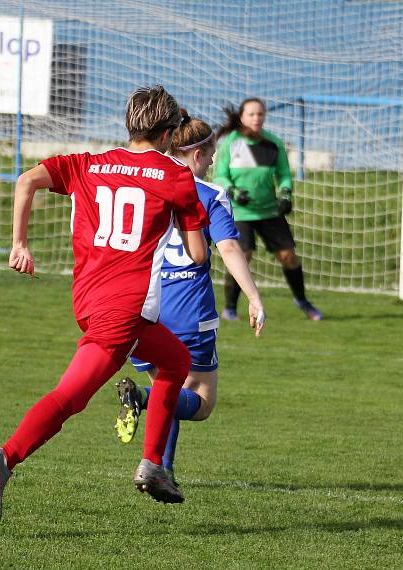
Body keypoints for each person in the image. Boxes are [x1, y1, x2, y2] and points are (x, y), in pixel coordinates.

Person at [0, 85, 211, 524]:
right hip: (122, 309)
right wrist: (190, 222)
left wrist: (19, 245)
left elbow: (27, 180)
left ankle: (153, 465)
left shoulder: (90, 164)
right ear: (166, 132)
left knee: (175, 361)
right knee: (70, 398)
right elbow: (197, 255)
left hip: (89, 300)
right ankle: (3, 457)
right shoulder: (176, 177)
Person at [112, 111, 266, 483]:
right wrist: (254, 297)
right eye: (211, 156)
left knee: (171, 382)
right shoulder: (210, 194)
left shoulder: (145, 183)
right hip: (188, 313)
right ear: (196, 155)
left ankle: (161, 469)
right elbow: (229, 248)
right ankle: (143, 401)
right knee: (199, 403)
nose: (213, 163)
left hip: (140, 308)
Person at [213, 97, 322, 321]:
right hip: (240, 212)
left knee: (288, 256)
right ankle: (231, 308)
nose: (256, 118)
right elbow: (220, 175)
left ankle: (302, 300)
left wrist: (285, 193)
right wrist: (233, 191)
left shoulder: (273, 143)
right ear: (242, 117)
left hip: (269, 211)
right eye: (251, 114)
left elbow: (283, 174)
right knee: (243, 255)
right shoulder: (230, 144)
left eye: (260, 114)